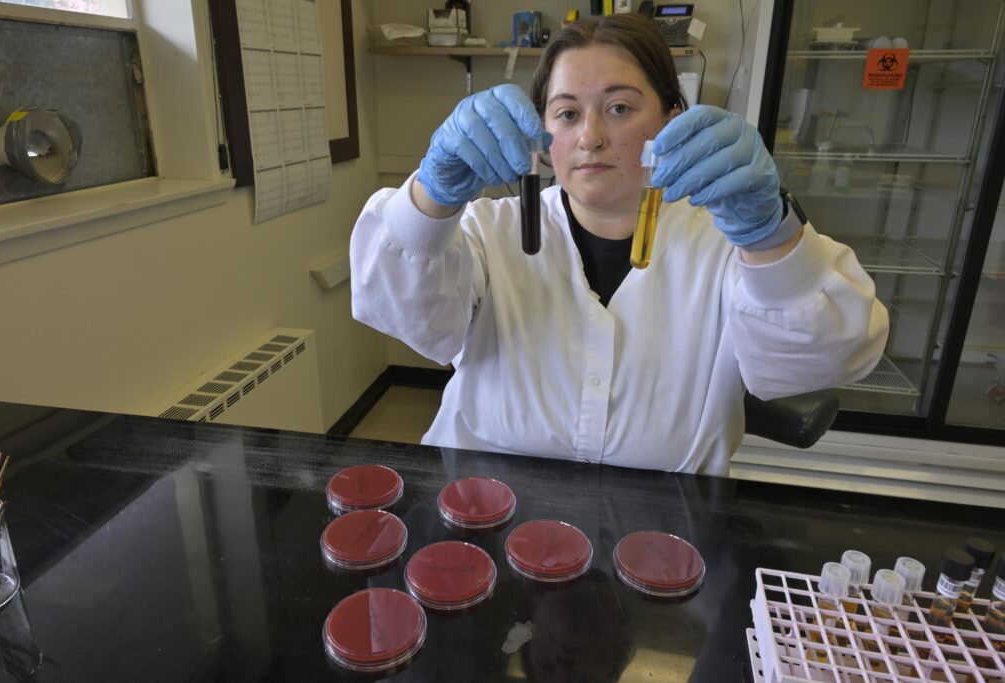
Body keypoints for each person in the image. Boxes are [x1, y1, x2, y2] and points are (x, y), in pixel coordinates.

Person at [350, 14, 889, 475]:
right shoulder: (488, 230)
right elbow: (400, 312)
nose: (590, 137)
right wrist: (430, 196)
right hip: (486, 508)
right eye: (566, 113)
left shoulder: (730, 245)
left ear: (672, 122)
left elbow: (828, 357)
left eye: (620, 108)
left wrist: (772, 234)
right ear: (540, 133)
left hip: (666, 534)